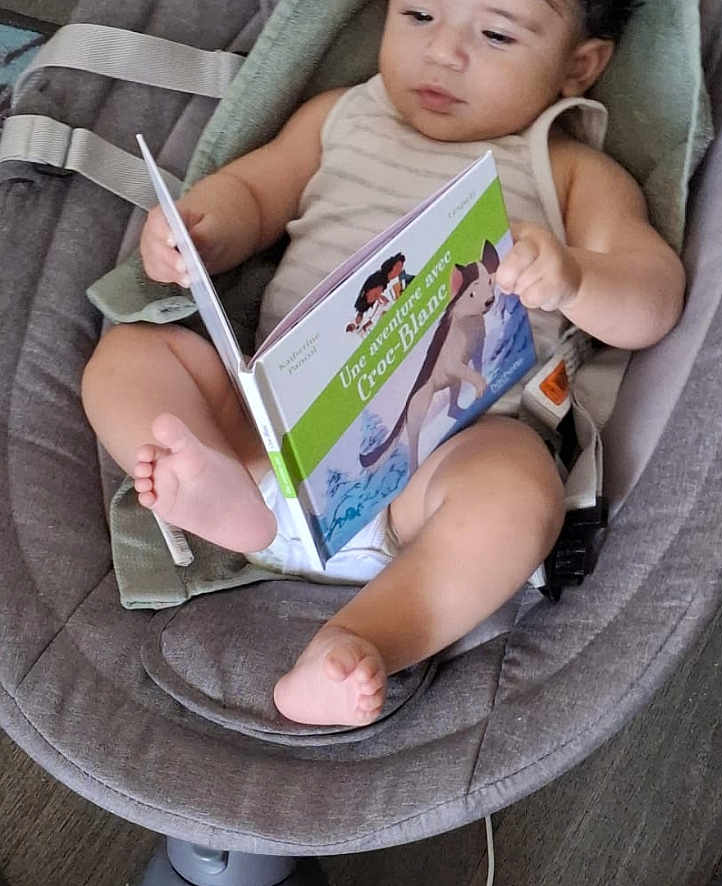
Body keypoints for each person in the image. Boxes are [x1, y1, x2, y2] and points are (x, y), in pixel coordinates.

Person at [81, 0, 685, 728]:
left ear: (578, 67)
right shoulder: (339, 117)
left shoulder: (570, 172)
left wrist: (576, 280)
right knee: (129, 355)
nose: (444, 53)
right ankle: (228, 498)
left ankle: (361, 641)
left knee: (519, 492)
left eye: (495, 34)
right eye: (419, 14)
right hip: (267, 437)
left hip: (437, 473)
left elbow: (655, 297)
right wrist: (198, 233)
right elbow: (252, 193)